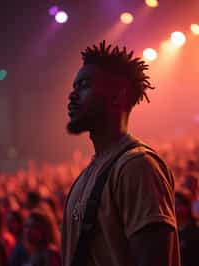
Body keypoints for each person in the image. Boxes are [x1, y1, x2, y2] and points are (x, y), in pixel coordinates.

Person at [62, 40, 181, 266]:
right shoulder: (88, 174)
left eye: (84, 85)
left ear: (118, 95)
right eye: (74, 87)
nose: (72, 96)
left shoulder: (137, 166)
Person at [175, 190, 199, 266]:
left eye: (178, 204)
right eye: (173, 205)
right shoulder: (172, 233)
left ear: (187, 207)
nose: (175, 208)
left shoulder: (195, 232)